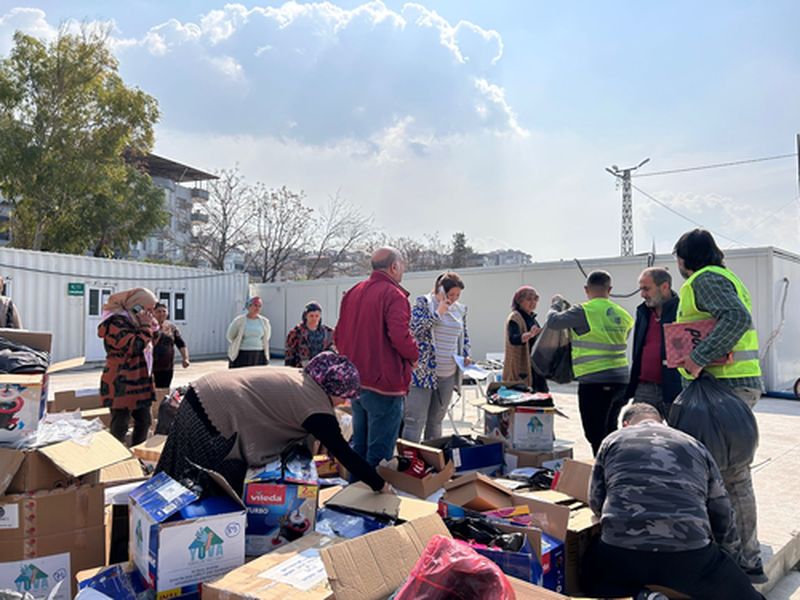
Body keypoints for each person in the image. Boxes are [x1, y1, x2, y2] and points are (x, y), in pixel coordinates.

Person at [582, 402, 764, 600]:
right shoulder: (694, 445)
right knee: (745, 595)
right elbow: (722, 511)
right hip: (689, 556)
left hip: (622, 553)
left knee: (590, 575)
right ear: (662, 422)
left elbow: (596, 499)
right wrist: (728, 560)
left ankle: (643, 595)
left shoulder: (612, 440)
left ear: (626, 424)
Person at [156, 351, 390, 494]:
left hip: (201, 394)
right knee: (193, 485)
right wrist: (380, 485)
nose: (344, 402)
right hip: (214, 413)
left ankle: (145, 522)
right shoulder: (315, 405)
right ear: (333, 387)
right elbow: (343, 452)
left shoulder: (303, 378)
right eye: (344, 395)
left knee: (171, 474)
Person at [673, 228, 766, 583]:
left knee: (731, 475)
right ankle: (736, 553)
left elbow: (736, 319)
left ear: (684, 260)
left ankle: (745, 559)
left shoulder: (704, 279)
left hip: (723, 390)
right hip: (729, 388)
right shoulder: (724, 277)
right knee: (726, 473)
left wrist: (698, 357)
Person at [334, 247, 419, 466]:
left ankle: (353, 496)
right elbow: (400, 336)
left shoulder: (354, 292)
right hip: (384, 384)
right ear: (394, 266)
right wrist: (414, 355)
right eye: (402, 266)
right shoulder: (394, 295)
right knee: (379, 455)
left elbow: (339, 335)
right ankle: (372, 497)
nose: (403, 271)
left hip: (357, 382)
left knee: (359, 448)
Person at [545, 270, 633, 455]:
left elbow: (553, 322)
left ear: (586, 289)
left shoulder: (583, 311)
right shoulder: (624, 315)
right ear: (610, 289)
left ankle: (602, 471)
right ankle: (613, 465)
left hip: (595, 381)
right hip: (621, 380)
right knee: (610, 428)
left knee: (595, 433)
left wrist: (555, 304)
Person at [404, 272, 471, 442]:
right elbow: (414, 329)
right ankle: (408, 460)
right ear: (440, 290)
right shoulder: (424, 303)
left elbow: (464, 336)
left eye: (457, 295)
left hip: (448, 373)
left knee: (436, 422)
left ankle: (432, 461)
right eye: (451, 294)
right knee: (415, 420)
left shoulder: (460, 310)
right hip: (423, 373)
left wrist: (465, 354)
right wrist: (438, 313)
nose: (454, 299)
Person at [98, 287, 157, 446]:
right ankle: (115, 462)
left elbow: (148, 344)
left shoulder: (137, 321)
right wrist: (145, 327)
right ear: (136, 306)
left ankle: (138, 457)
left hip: (139, 381)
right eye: (148, 308)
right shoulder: (116, 322)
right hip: (120, 382)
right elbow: (134, 346)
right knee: (120, 425)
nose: (151, 313)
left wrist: (149, 326)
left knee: (145, 421)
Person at [625, 267, 681, 418]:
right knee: (637, 435)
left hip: (676, 388)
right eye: (641, 289)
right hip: (644, 388)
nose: (642, 294)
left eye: (646, 289)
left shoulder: (682, 310)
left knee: (680, 436)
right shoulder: (642, 312)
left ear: (664, 287)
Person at [502, 285, 549, 392]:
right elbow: (513, 339)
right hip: (522, 366)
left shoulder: (532, 318)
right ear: (519, 301)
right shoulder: (515, 317)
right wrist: (529, 335)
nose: (533, 302)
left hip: (535, 367)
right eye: (529, 299)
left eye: (535, 299)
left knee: (542, 397)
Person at [284, 301, 335, 368]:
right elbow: (289, 355)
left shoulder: (328, 333)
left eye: (317, 316)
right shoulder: (296, 333)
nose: (314, 319)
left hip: (322, 369)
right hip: (301, 369)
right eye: (311, 316)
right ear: (305, 316)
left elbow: (333, 351)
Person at [152, 302, 190, 388]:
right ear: (153, 312)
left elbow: (180, 344)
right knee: (152, 393)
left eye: (164, 311)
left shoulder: (171, 327)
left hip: (167, 367)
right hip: (151, 368)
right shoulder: (148, 327)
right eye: (158, 311)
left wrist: (185, 358)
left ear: (167, 313)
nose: (161, 314)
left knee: (164, 391)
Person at [227, 296, 271, 368]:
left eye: (259, 306)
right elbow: (230, 336)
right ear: (249, 306)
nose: (257, 308)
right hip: (242, 353)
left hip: (259, 354)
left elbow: (267, 337)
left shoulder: (265, 322)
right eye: (255, 305)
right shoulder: (239, 321)